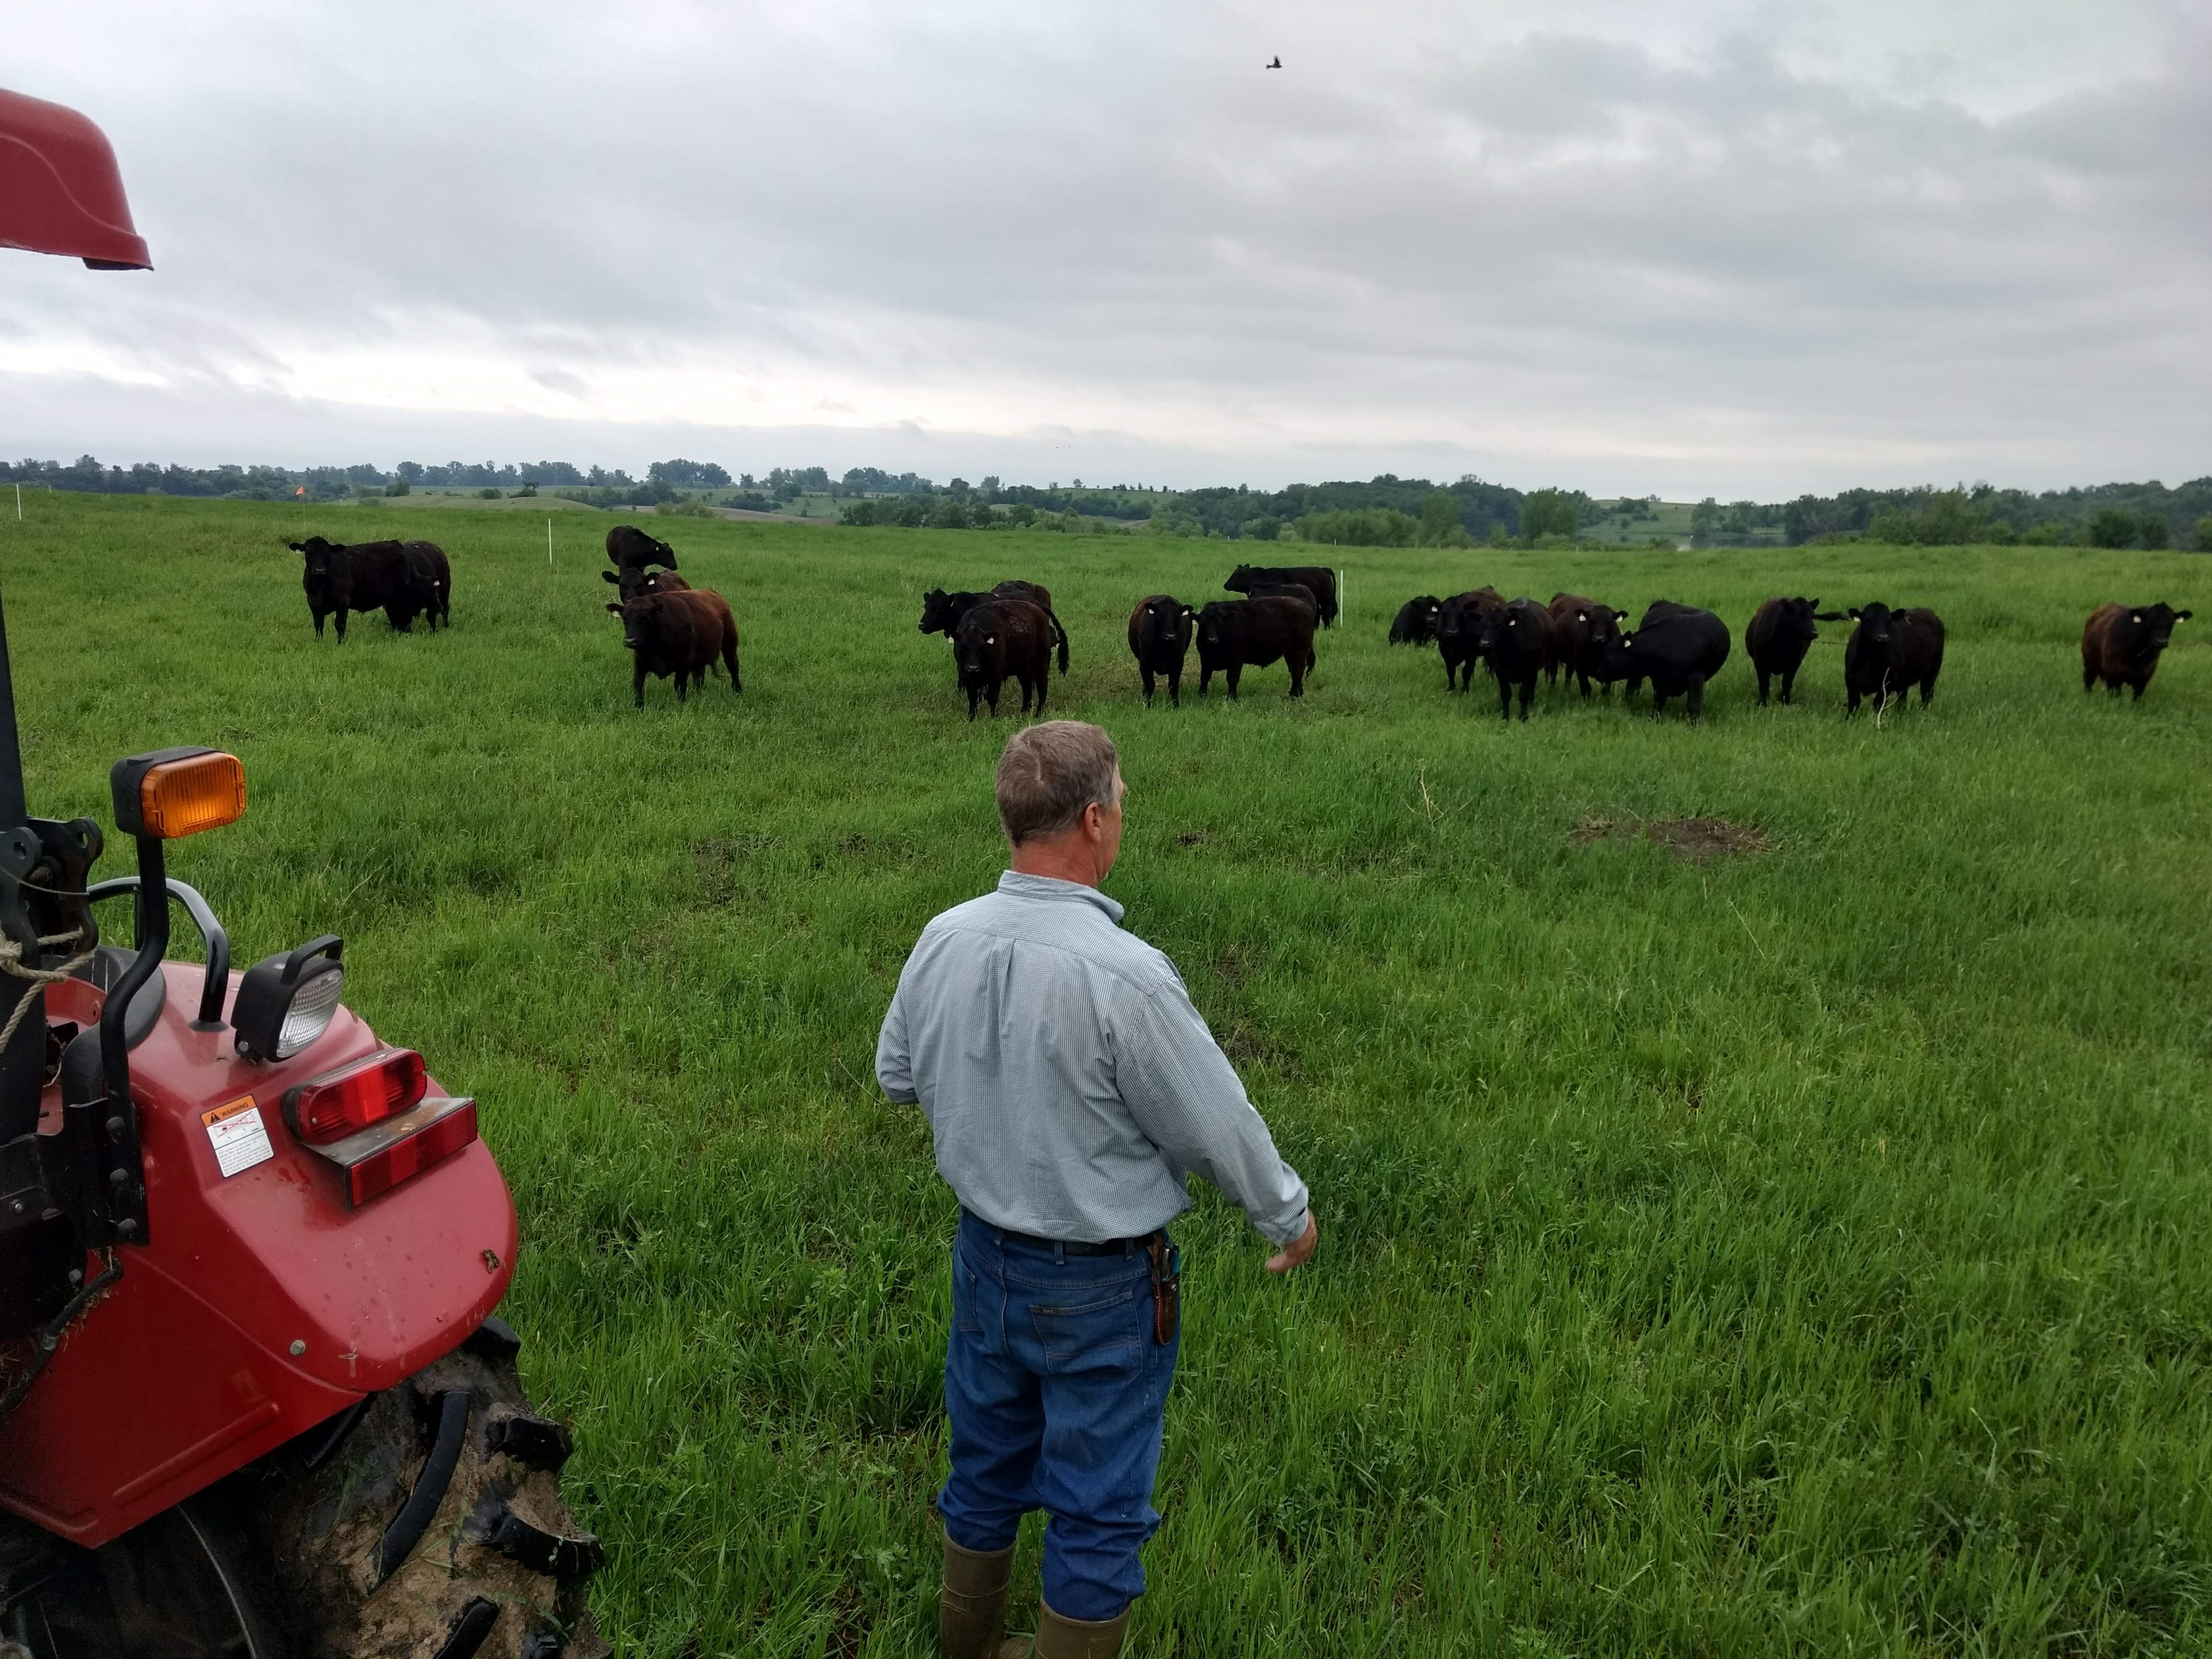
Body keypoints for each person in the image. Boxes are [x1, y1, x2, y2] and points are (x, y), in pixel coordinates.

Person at [877, 720, 1319, 1659]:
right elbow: (1218, 1127)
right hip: (1104, 1286)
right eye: (1120, 802)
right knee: (1097, 1505)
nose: (1122, 816)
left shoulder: (943, 936)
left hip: (984, 1261)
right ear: (1091, 820)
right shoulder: (1127, 975)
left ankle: (967, 1647)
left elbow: (897, 1075)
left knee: (984, 1468)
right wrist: (1287, 1216)